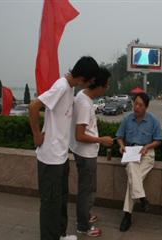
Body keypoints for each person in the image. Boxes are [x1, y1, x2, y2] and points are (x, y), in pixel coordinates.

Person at [29, 56, 99, 240]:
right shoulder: (61, 86)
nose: (91, 84)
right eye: (91, 80)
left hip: (60, 155)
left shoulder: (70, 87)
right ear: (83, 77)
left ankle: (59, 234)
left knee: (60, 200)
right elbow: (34, 106)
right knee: (50, 203)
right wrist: (37, 135)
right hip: (50, 157)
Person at [69, 68, 113, 237]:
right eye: (106, 85)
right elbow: (79, 135)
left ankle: (85, 215)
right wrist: (102, 140)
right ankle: (83, 225)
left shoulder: (82, 96)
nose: (106, 88)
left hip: (85, 153)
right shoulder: (85, 103)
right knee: (86, 191)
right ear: (99, 86)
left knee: (88, 188)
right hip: (86, 154)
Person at [116, 92, 162, 232]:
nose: (136, 107)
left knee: (132, 179)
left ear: (146, 107)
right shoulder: (126, 119)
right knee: (131, 166)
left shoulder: (153, 120)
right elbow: (119, 136)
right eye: (135, 103)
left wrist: (147, 147)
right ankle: (140, 200)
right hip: (131, 153)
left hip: (146, 153)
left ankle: (128, 215)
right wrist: (121, 145)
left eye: (140, 105)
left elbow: (158, 140)